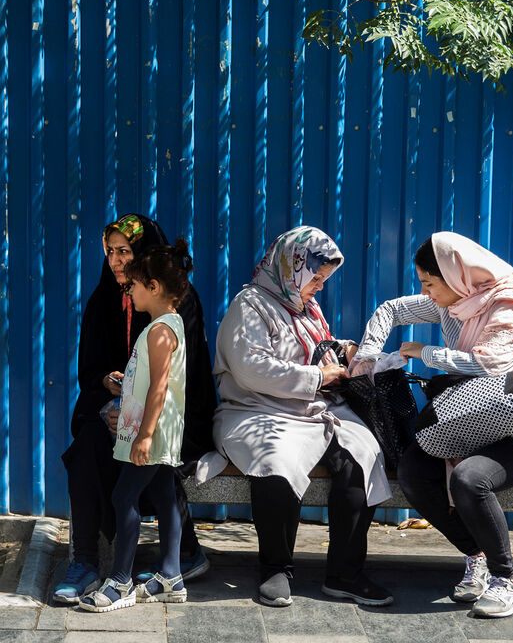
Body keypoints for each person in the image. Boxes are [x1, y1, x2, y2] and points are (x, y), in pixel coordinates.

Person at [351, 232, 513, 619]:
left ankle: (509, 581)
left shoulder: (509, 305)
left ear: (456, 277)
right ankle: (477, 557)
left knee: (470, 479)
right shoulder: (453, 302)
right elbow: (391, 310)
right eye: (422, 283)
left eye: (429, 283)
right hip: (467, 415)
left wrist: (427, 353)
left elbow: (493, 366)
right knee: (412, 471)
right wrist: (369, 355)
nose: (425, 291)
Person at [197, 226, 393, 609]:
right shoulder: (250, 305)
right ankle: (275, 568)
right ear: (292, 268)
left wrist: (346, 353)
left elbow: (315, 348)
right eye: (315, 277)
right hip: (256, 409)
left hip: (313, 408)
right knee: (276, 462)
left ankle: (345, 574)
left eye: (323, 279)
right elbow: (251, 368)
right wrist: (319, 376)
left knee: (363, 456)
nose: (319, 286)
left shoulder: (305, 306)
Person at [54, 214, 218, 605]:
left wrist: (134, 416)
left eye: (124, 251)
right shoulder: (102, 300)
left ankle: (137, 573)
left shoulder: (176, 304)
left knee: (148, 476)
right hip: (119, 412)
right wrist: (110, 392)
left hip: (170, 417)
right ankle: (86, 562)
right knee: (87, 447)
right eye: (109, 252)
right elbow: (89, 372)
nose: (114, 261)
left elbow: (177, 379)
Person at [79, 241, 195, 611]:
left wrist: (144, 436)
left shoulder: (160, 332)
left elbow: (160, 388)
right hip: (154, 431)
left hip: (152, 434)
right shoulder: (164, 325)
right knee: (163, 497)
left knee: (122, 497)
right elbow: (150, 381)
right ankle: (172, 575)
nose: (129, 291)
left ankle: (120, 582)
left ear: (154, 287)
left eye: (134, 285)